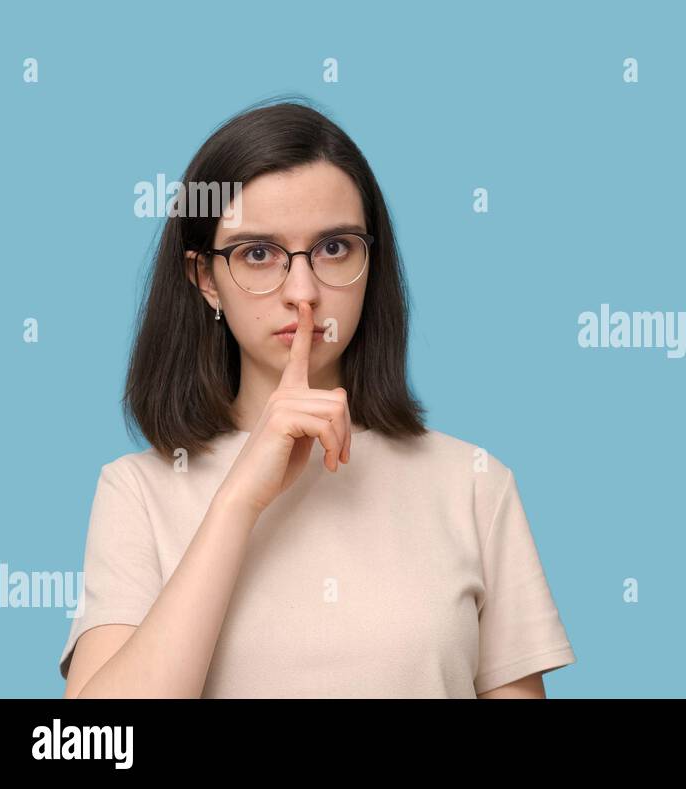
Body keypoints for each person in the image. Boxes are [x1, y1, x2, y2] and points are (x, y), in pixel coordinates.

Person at [58, 98, 576, 698]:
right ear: (205, 279)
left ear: (369, 261)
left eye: (334, 248)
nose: (302, 292)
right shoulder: (137, 493)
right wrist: (237, 501)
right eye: (257, 254)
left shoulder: (475, 484)